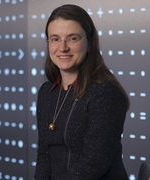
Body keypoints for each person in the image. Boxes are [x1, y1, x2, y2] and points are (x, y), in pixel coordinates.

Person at [34, 4, 130, 180]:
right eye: (55, 39)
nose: (62, 48)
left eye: (73, 38)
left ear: (90, 43)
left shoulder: (105, 93)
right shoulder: (47, 93)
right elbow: (44, 155)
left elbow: (93, 163)